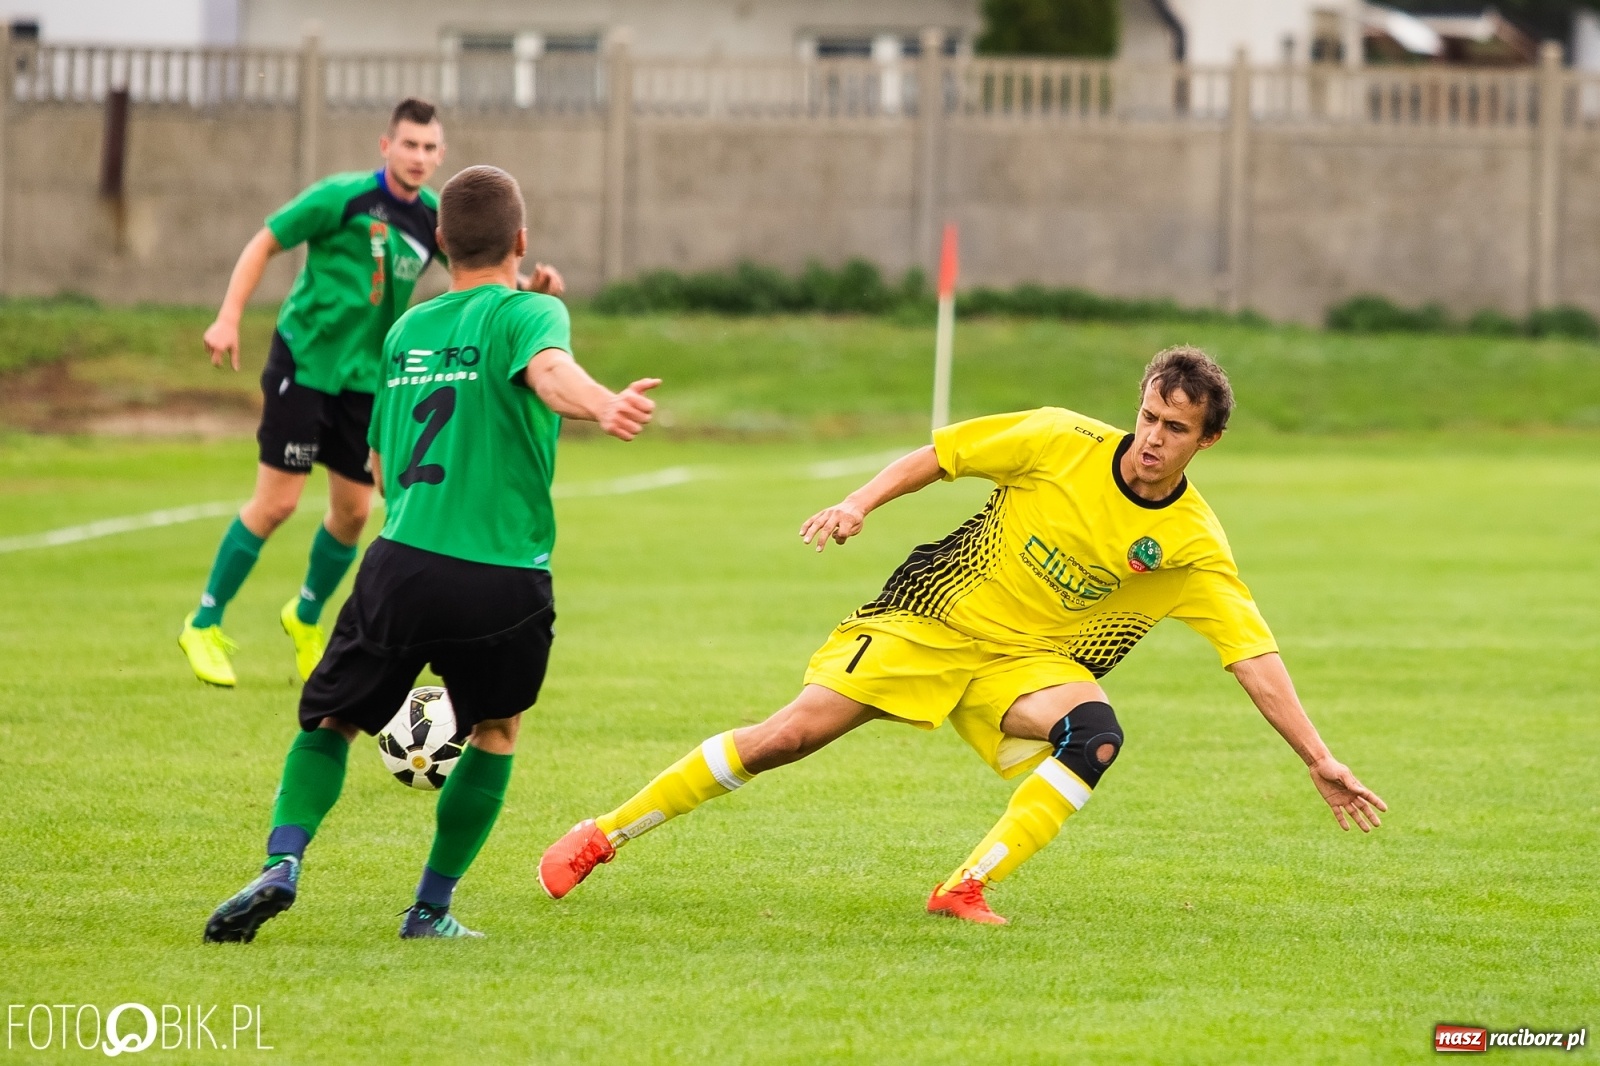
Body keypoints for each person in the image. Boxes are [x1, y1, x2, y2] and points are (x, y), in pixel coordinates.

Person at [538, 347, 1387, 925]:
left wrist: (1317, 756)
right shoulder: (1061, 438)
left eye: (1176, 430)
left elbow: (1253, 657)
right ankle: (603, 834)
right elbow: (942, 454)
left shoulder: (1194, 544)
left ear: (1209, 441)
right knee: (785, 738)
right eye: (1150, 417)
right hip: (932, 618)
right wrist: (857, 503)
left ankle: (965, 887)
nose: (1153, 441)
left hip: (1025, 668)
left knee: (1096, 735)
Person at [204, 164, 659, 942]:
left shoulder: (406, 331)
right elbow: (550, 375)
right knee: (496, 730)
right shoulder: (532, 311)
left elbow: (379, 466)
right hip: (504, 578)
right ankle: (430, 909)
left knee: (330, 721)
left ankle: (283, 861)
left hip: (402, 562)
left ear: (441, 242)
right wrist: (604, 402)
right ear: (521, 240)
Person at [180, 97, 566, 687]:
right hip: (305, 365)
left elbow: (488, 278)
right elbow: (265, 242)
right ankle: (203, 623)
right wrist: (228, 316)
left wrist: (529, 287)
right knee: (278, 503)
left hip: (368, 380)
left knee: (355, 511)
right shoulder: (342, 197)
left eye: (430, 147)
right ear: (386, 146)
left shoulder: (434, 219)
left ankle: (305, 616)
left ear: (441, 155)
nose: (419, 156)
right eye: (408, 144)